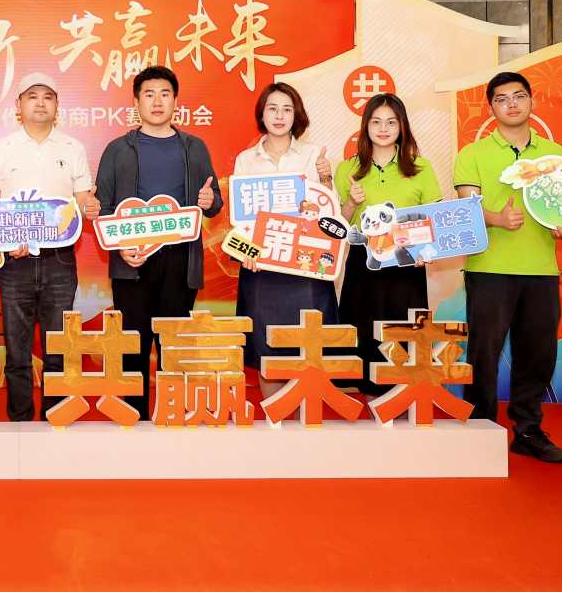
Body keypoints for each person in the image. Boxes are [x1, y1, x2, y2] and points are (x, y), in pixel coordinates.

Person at [454, 72, 562, 463]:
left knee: (537, 354)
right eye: (502, 99)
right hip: (489, 268)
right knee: (483, 354)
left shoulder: (554, 153)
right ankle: (479, 428)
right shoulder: (473, 154)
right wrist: (496, 218)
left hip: (541, 269)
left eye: (519, 96)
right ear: (490, 107)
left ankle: (528, 431)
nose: (511, 104)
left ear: (532, 101)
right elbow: (466, 210)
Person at [95, 66, 223, 421]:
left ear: (175, 102)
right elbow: (104, 208)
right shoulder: (118, 149)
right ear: (136, 102)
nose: (157, 101)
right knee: (133, 346)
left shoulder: (194, 148)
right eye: (149, 94)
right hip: (132, 261)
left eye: (165, 94)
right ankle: (134, 421)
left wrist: (209, 200)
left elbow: (214, 202)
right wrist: (120, 248)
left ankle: (172, 418)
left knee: (174, 344)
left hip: (180, 260)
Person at [0, 73, 100, 422]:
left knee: (58, 348)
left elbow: (82, 202)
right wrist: (5, 242)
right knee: (16, 351)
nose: (41, 102)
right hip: (14, 262)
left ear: (57, 105)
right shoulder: (1, 148)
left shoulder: (73, 148)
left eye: (48, 96)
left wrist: (90, 207)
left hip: (59, 260)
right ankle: (19, 418)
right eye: (32, 96)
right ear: (19, 105)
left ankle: (55, 416)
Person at [335, 93, 442, 397]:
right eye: (376, 122)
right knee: (365, 335)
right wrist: (350, 202)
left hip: (406, 262)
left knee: (405, 335)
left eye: (391, 122)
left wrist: (426, 251)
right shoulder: (347, 169)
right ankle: (372, 405)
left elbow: (433, 219)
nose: (383, 128)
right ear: (365, 126)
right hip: (363, 264)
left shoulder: (421, 168)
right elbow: (338, 225)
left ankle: (402, 403)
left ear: (402, 126)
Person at [232, 82, 334, 401]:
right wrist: (247, 253)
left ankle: (303, 419)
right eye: (272, 108)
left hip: (305, 268)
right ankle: (274, 420)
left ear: (296, 115)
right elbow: (241, 222)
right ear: (262, 115)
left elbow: (328, 215)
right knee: (267, 353)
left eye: (287, 109)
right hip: (262, 269)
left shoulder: (314, 154)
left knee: (307, 350)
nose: (279, 115)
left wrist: (326, 178)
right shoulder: (245, 159)